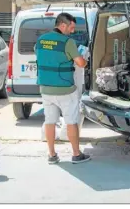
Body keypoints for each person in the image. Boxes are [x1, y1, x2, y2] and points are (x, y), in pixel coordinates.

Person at [35, 12, 91, 164]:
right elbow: (80, 63)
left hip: (45, 89)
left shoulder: (40, 40)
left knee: (50, 121)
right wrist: (84, 60)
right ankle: (76, 154)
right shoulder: (67, 42)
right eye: (71, 27)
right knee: (71, 121)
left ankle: (52, 155)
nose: (72, 31)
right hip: (65, 89)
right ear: (62, 25)